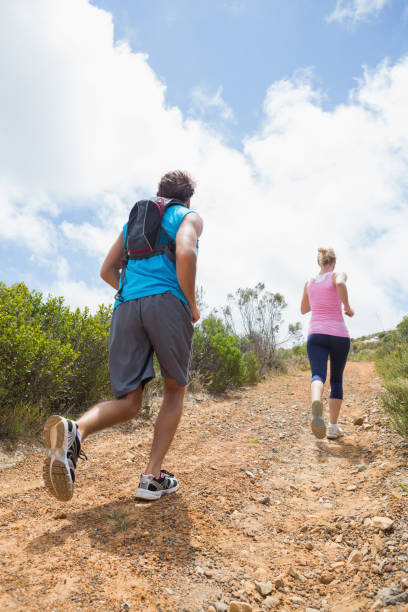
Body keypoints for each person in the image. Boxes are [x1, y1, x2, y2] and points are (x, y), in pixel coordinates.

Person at [43, 170, 203, 502]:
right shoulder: (187, 215)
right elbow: (185, 253)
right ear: (187, 197)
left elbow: (106, 270)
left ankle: (77, 430)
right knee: (175, 389)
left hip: (126, 307)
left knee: (128, 402)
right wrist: (190, 303)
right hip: (167, 305)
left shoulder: (133, 223)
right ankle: (151, 477)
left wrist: (133, 292)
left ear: (159, 192)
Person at [300, 247, 354, 440]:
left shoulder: (310, 282)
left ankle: (316, 405)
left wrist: (317, 299)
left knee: (317, 375)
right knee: (336, 380)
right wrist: (347, 307)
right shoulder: (338, 274)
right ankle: (332, 427)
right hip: (339, 334)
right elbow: (340, 283)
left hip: (316, 334)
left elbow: (304, 309)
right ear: (334, 261)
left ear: (318, 263)